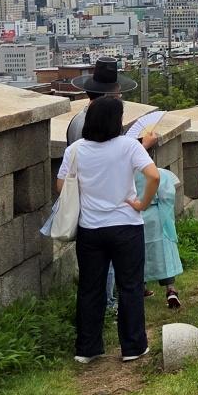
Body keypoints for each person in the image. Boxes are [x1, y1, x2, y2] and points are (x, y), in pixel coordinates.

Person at [57, 96, 160, 363]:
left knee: (90, 288)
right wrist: (142, 203)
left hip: (90, 228)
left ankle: (87, 349)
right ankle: (133, 346)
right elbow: (154, 175)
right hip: (126, 225)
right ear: (117, 120)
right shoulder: (128, 146)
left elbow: (61, 187)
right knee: (130, 286)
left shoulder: (76, 149)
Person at [64, 58, 159, 311]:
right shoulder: (94, 125)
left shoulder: (77, 121)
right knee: (107, 270)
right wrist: (141, 147)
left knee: (93, 275)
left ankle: (97, 323)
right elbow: (106, 156)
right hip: (111, 211)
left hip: (90, 212)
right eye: (118, 95)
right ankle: (109, 305)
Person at [136, 164, 184, 308]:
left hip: (135, 215)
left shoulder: (127, 173)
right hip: (156, 213)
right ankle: (170, 289)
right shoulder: (159, 173)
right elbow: (167, 195)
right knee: (163, 253)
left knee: (137, 253)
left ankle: (141, 287)